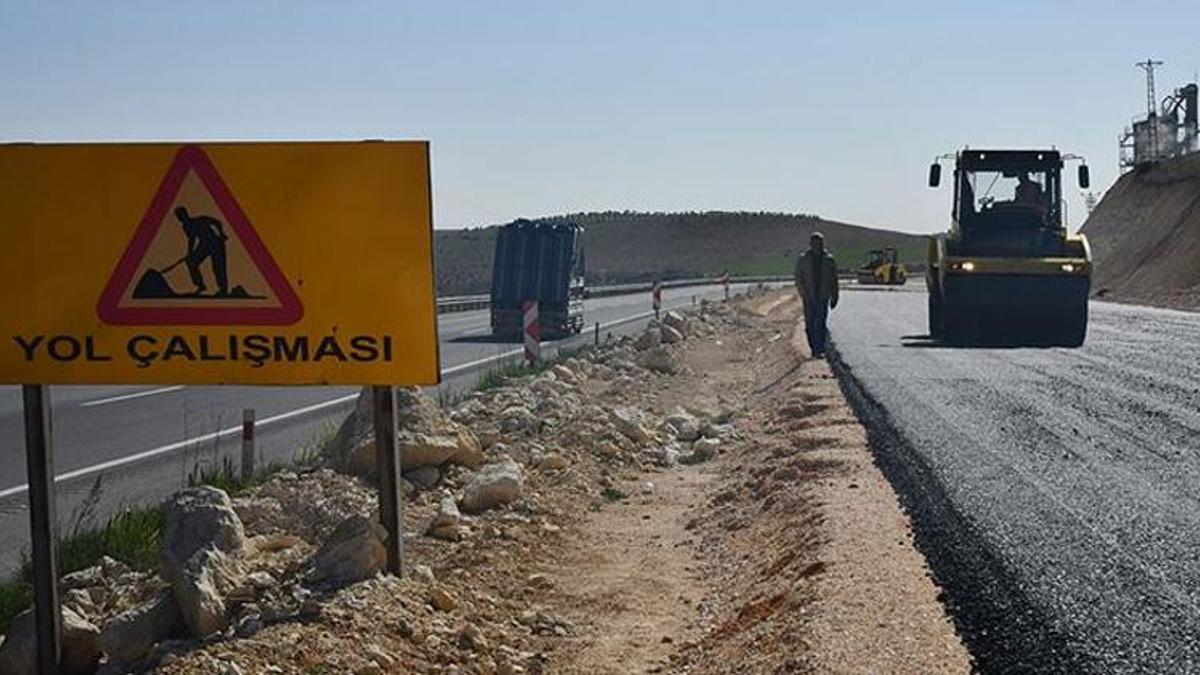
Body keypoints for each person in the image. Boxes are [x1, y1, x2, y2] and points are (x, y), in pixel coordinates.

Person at [794, 232, 839, 358]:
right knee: (810, 324)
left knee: (820, 323)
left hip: (823, 296)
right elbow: (798, 278)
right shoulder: (803, 259)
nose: (817, 245)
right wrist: (803, 293)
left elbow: (834, 279)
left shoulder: (829, 259)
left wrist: (835, 296)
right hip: (809, 297)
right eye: (814, 242)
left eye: (819, 242)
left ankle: (819, 350)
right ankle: (813, 347)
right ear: (810, 244)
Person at [174, 206, 230, 296]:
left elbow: (217, 222)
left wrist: (222, 233)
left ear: (185, 214)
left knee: (218, 266)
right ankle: (200, 285)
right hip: (204, 244)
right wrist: (189, 253)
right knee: (191, 262)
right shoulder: (186, 227)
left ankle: (223, 289)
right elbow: (191, 239)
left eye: (180, 216)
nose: (179, 219)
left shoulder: (200, 220)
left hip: (215, 243)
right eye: (178, 217)